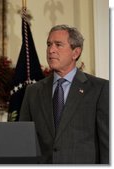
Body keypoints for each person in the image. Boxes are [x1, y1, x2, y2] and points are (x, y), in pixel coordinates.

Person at [19, 25, 109, 164]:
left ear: (75, 53)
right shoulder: (33, 91)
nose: (51, 50)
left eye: (58, 45)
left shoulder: (99, 88)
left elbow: (107, 144)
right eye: (49, 44)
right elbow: (24, 141)